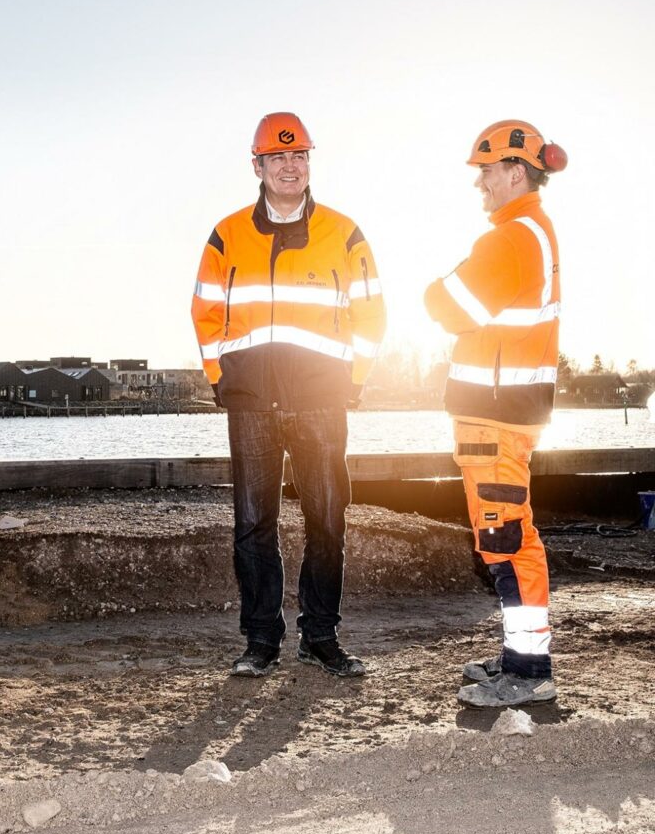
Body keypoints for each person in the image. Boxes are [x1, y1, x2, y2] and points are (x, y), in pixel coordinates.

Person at [191, 112, 387, 678]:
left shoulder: (343, 232)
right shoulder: (227, 234)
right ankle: (260, 641)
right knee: (254, 523)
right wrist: (220, 378)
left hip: (322, 401)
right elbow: (205, 311)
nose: (289, 166)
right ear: (257, 165)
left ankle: (320, 636)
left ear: (309, 162)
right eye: (277, 157)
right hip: (251, 399)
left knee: (327, 518)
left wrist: (353, 379)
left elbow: (372, 312)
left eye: (298, 155)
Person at [424, 119, 568, 707]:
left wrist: (436, 289)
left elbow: (446, 303)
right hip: (504, 418)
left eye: (485, 171)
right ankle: (521, 659)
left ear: (514, 172)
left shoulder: (512, 238)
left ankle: (528, 675)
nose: (479, 183)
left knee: (506, 539)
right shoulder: (531, 232)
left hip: (496, 421)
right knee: (506, 536)